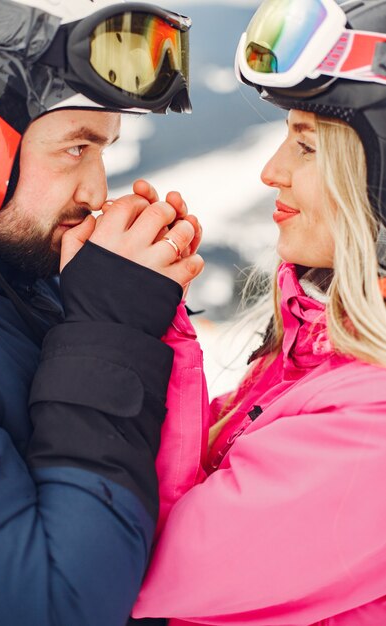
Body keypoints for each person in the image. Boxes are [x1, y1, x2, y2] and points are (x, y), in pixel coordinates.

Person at [130, 0, 386, 624]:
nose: (272, 172)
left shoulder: (370, 423)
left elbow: (127, 567)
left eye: (305, 146)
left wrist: (129, 325)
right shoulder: (315, 353)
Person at [0, 1, 204, 625]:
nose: (98, 192)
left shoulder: (20, 287)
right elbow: (50, 604)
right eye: (76, 147)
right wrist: (111, 327)